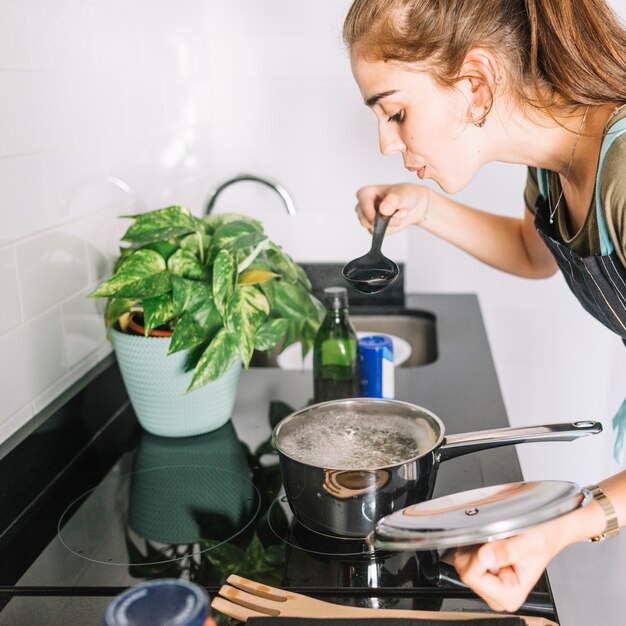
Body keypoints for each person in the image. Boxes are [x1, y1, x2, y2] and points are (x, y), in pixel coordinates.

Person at [342, 0, 626, 613]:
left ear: (475, 83)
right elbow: (533, 250)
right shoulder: (559, 157)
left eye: (395, 112)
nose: (386, 143)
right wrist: (424, 206)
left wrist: (562, 525)